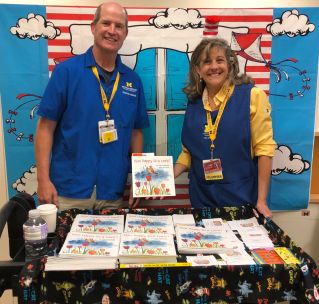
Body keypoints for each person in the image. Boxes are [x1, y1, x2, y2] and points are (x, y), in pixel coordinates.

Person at [35, 2, 149, 211]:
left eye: (119, 26)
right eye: (106, 23)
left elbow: (136, 133)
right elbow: (45, 127)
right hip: (68, 191)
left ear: (125, 33)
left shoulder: (132, 81)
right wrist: (43, 180)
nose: (112, 31)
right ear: (93, 27)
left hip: (112, 192)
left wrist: (139, 181)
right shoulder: (66, 72)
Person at [174, 38, 276, 218]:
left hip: (241, 199)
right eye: (207, 62)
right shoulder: (194, 102)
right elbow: (189, 152)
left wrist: (262, 200)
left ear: (230, 65)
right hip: (201, 200)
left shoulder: (252, 96)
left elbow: (264, 150)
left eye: (219, 60)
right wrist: (163, 179)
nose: (214, 66)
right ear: (198, 69)